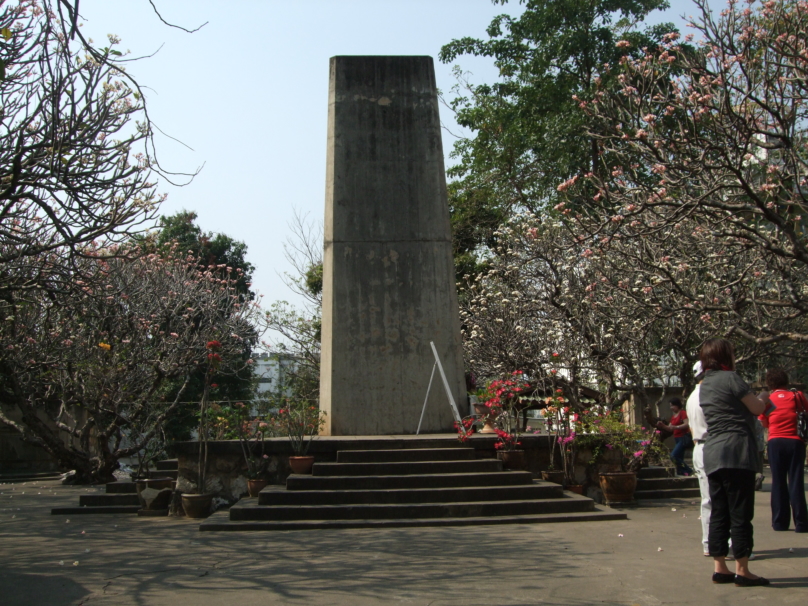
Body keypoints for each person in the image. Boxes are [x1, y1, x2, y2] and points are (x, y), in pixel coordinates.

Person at [699, 338, 772, 587]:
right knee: (741, 513)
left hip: (713, 452)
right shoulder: (731, 378)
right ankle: (743, 570)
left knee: (719, 512)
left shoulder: (705, 383)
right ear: (724, 356)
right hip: (737, 451)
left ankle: (721, 568)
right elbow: (756, 408)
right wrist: (764, 395)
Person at [758, 368, 808, 533]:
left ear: (770, 384)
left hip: (776, 442)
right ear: (787, 382)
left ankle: (780, 522)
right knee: (796, 481)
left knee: (778, 482)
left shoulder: (769, 400)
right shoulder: (797, 396)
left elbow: (764, 423)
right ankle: (801, 523)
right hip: (796, 442)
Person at [657, 398, 693, 476]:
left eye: (672, 406)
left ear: (677, 405)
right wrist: (662, 426)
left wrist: (676, 427)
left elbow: (687, 424)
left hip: (683, 438)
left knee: (673, 456)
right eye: (670, 406)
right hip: (676, 438)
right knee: (679, 457)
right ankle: (682, 471)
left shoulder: (682, 413)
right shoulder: (673, 416)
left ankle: (689, 470)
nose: (671, 408)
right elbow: (670, 428)